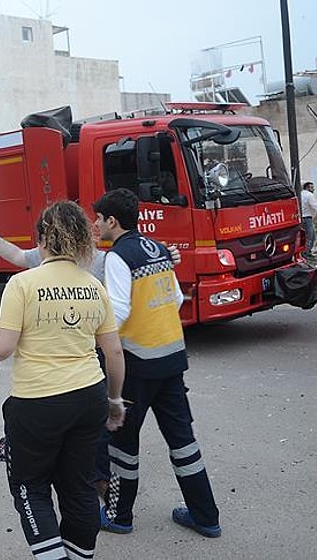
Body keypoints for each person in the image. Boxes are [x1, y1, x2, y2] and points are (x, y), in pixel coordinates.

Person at [0, 201, 126, 560]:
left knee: (30, 487)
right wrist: (115, 401)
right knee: (78, 487)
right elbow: (115, 353)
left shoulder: (23, 284)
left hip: (37, 404)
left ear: (41, 238)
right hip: (89, 398)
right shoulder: (93, 285)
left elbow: (2, 346)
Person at [92, 188, 221, 538]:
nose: (96, 224)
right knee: (183, 440)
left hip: (137, 367)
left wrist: (94, 340)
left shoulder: (118, 256)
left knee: (122, 446)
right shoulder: (157, 249)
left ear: (112, 221)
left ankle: (119, 516)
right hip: (172, 360)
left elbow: (118, 311)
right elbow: (176, 297)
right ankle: (205, 516)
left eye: (99, 219)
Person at [300, 181, 317, 257]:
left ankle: (305, 252)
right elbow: (315, 206)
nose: (313, 189)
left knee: (306, 236)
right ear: (307, 187)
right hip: (307, 218)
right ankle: (306, 253)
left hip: (301, 218)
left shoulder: (300, 194)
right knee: (310, 237)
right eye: (312, 187)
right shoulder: (309, 195)